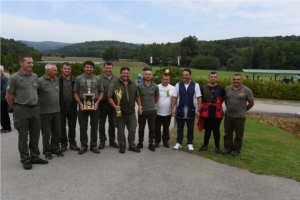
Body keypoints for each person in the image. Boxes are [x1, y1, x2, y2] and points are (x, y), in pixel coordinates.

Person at [6, 54, 48, 170]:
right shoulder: (14, 78)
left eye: (32, 62)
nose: (31, 65)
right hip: (21, 109)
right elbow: (8, 96)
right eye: (28, 62)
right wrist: (16, 108)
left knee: (35, 135)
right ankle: (25, 159)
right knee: (23, 136)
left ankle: (35, 157)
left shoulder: (34, 76)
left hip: (34, 109)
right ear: (21, 63)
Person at [108, 66, 142, 154]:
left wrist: (140, 107)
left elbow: (137, 96)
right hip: (120, 112)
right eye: (124, 73)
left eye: (127, 73)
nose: (125, 75)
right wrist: (115, 106)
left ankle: (132, 145)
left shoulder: (133, 84)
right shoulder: (114, 84)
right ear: (120, 74)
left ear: (129, 74)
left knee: (132, 130)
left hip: (131, 112)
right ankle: (122, 145)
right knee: (120, 130)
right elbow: (109, 97)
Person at [73, 60, 104, 155]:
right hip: (83, 104)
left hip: (95, 104)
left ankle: (94, 145)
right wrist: (80, 104)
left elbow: (102, 92)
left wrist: (97, 102)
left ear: (93, 68)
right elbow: (75, 93)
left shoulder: (97, 79)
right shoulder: (78, 79)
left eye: (91, 67)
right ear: (84, 67)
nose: (89, 69)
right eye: (87, 67)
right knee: (83, 126)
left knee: (94, 126)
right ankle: (83, 146)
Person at [222, 74, 254, 157]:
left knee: (239, 135)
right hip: (229, 115)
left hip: (240, 117)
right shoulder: (228, 89)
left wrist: (244, 110)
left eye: (238, 79)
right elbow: (226, 100)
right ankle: (228, 148)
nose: (236, 81)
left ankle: (236, 150)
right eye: (234, 79)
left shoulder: (247, 90)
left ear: (241, 80)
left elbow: (251, 103)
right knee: (227, 133)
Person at [171, 69, 202, 151]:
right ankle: (179, 143)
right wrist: (172, 109)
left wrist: (199, 110)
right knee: (179, 128)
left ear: (190, 76)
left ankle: (190, 143)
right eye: (183, 74)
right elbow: (174, 97)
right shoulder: (178, 85)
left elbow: (199, 98)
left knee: (190, 128)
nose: (184, 76)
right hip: (180, 110)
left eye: (186, 75)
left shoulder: (195, 85)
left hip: (191, 110)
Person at [38, 64, 63, 160]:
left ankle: (55, 148)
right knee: (46, 133)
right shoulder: (40, 81)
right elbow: (35, 95)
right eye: (55, 70)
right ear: (48, 71)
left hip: (56, 110)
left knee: (57, 132)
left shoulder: (57, 80)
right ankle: (47, 151)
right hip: (44, 112)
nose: (57, 72)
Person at [198, 72, 225, 154]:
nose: (213, 78)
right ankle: (205, 145)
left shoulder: (221, 88)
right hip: (207, 112)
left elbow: (223, 99)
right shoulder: (203, 88)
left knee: (216, 130)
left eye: (214, 77)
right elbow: (200, 100)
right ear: (209, 78)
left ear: (217, 78)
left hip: (217, 112)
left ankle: (217, 147)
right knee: (207, 130)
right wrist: (199, 110)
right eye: (211, 77)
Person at [136, 68, 159, 151]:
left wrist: (151, 104)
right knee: (141, 128)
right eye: (146, 74)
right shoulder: (139, 86)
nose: (148, 76)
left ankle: (150, 143)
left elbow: (156, 97)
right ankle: (140, 143)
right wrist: (140, 107)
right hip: (142, 110)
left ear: (152, 76)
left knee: (152, 128)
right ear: (144, 75)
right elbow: (137, 97)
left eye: (149, 74)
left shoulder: (155, 86)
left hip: (152, 110)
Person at [98, 61, 119, 149]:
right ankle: (102, 141)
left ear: (112, 69)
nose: (108, 69)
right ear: (103, 68)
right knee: (101, 123)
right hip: (102, 104)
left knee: (112, 123)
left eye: (110, 68)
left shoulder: (116, 78)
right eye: (106, 68)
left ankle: (112, 140)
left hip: (112, 104)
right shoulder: (98, 78)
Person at [59, 62, 80, 152]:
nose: (67, 70)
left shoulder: (75, 80)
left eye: (68, 69)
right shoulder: (58, 80)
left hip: (72, 106)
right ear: (61, 69)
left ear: (71, 70)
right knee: (61, 126)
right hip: (61, 106)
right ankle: (63, 143)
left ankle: (72, 143)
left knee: (72, 126)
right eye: (65, 68)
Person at [154, 73, 174, 148]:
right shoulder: (157, 87)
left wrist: (172, 109)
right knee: (157, 128)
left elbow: (173, 99)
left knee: (166, 128)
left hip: (167, 112)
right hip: (157, 112)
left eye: (167, 79)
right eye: (164, 79)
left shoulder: (173, 88)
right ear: (161, 79)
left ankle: (165, 141)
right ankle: (157, 141)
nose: (166, 81)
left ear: (169, 80)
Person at [1, 65, 12, 133]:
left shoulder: (4, 78)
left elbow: (5, 90)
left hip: (3, 99)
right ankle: (4, 127)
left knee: (4, 114)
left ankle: (7, 127)